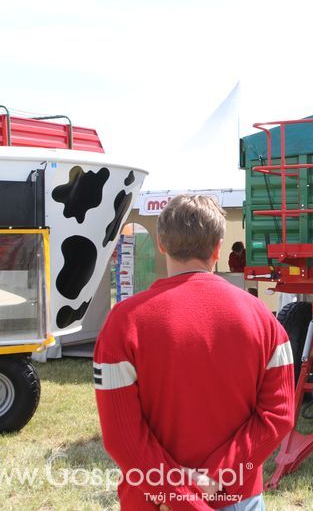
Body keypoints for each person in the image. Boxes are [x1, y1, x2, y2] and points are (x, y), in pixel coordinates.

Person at [94, 194, 295, 510]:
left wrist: (180, 496)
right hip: (236, 496)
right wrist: (217, 477)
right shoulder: (263, 320)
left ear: (161, 244)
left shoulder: (122, 323)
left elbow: (122, 437)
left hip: (154, 499)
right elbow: (278, 416)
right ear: (218, 248)